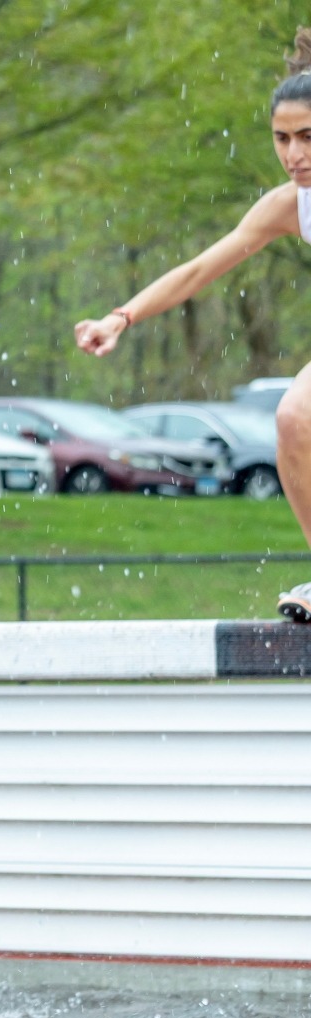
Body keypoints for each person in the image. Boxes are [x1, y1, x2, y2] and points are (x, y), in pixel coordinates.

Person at [76, 28, 311, 622]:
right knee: (294, 416)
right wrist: (121, 315)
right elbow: (202, 267)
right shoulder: (289, 204)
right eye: (282, 140)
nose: (294, 156)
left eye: (308, 138)